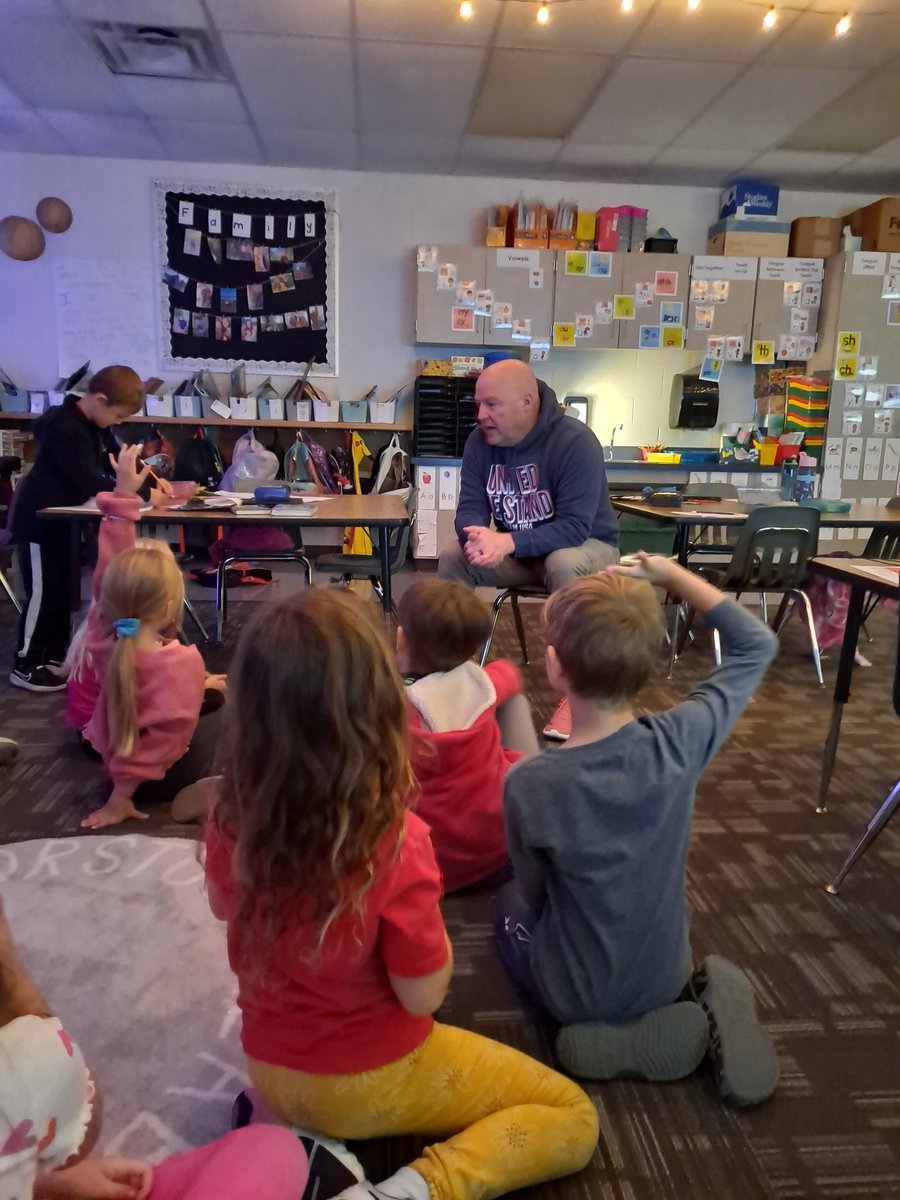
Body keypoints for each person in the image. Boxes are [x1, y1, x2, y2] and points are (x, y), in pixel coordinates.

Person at [204, 588, 599, 1200]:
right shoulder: (395, 839)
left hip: (268, 1064)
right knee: (573, 1116)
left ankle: (299, 1138)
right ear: (377, 704)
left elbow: (223, 907)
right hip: (370, 1077)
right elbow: (423, 994)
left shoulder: (230, 820)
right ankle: (409, 1191)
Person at [496, 554, 780, 1108]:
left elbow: (534, 894)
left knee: (506, 910)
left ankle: (606, 1031)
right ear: (646, 665)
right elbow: (756, 645)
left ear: (554, 667)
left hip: (572, 997)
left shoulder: (528, 784)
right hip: (662, 974)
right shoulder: (681, 740)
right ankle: (700, 998)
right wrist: (672, 576)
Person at [0, 895, 310, 1200]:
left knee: (273, 1150)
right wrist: (17, 994)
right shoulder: (21, 1064)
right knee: (275, 1153)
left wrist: (48, 1183)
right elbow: (81, 1130)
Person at [438, 358, 619, 742]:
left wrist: (506, 541)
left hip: (589, 548)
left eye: (490, 405)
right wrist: (478, 537)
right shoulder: (479, 443)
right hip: (521, 557)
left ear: (526, 401)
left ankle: (578, 694)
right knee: (453, 556)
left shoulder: (575, 442)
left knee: (563, 562)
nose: (480, 414)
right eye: (478, 405)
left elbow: (574, 528)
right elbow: (470, 507)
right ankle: (449, 676)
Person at [73, 445, 224, 830]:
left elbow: (110, 569)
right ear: (171, 603)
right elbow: (166, 738)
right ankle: (215, 788)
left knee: (209, 690)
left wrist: (124, 497)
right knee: (232, 708)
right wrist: (122, 795)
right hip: (154, 779)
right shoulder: (180, 661)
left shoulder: (104, 637)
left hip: (118, 768)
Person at [396, 577, 539, 891]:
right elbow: (510, 674)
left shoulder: (395, 709)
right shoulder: (485, 685)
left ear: (400, 638)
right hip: (495, 859)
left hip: (427, 868)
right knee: (514, 703)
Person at [10, 366, 147, 693]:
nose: (118, 422)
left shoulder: (92, 424)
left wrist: (143, 477)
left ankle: (54, 656)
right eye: (116, 414)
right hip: (40, 521)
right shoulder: (65, 427)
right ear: (99, 400)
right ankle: (26, 663)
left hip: (63, 520)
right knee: (43, 594)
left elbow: (114, 457)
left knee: (62, 593)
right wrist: (134, 492)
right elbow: (89, 479)